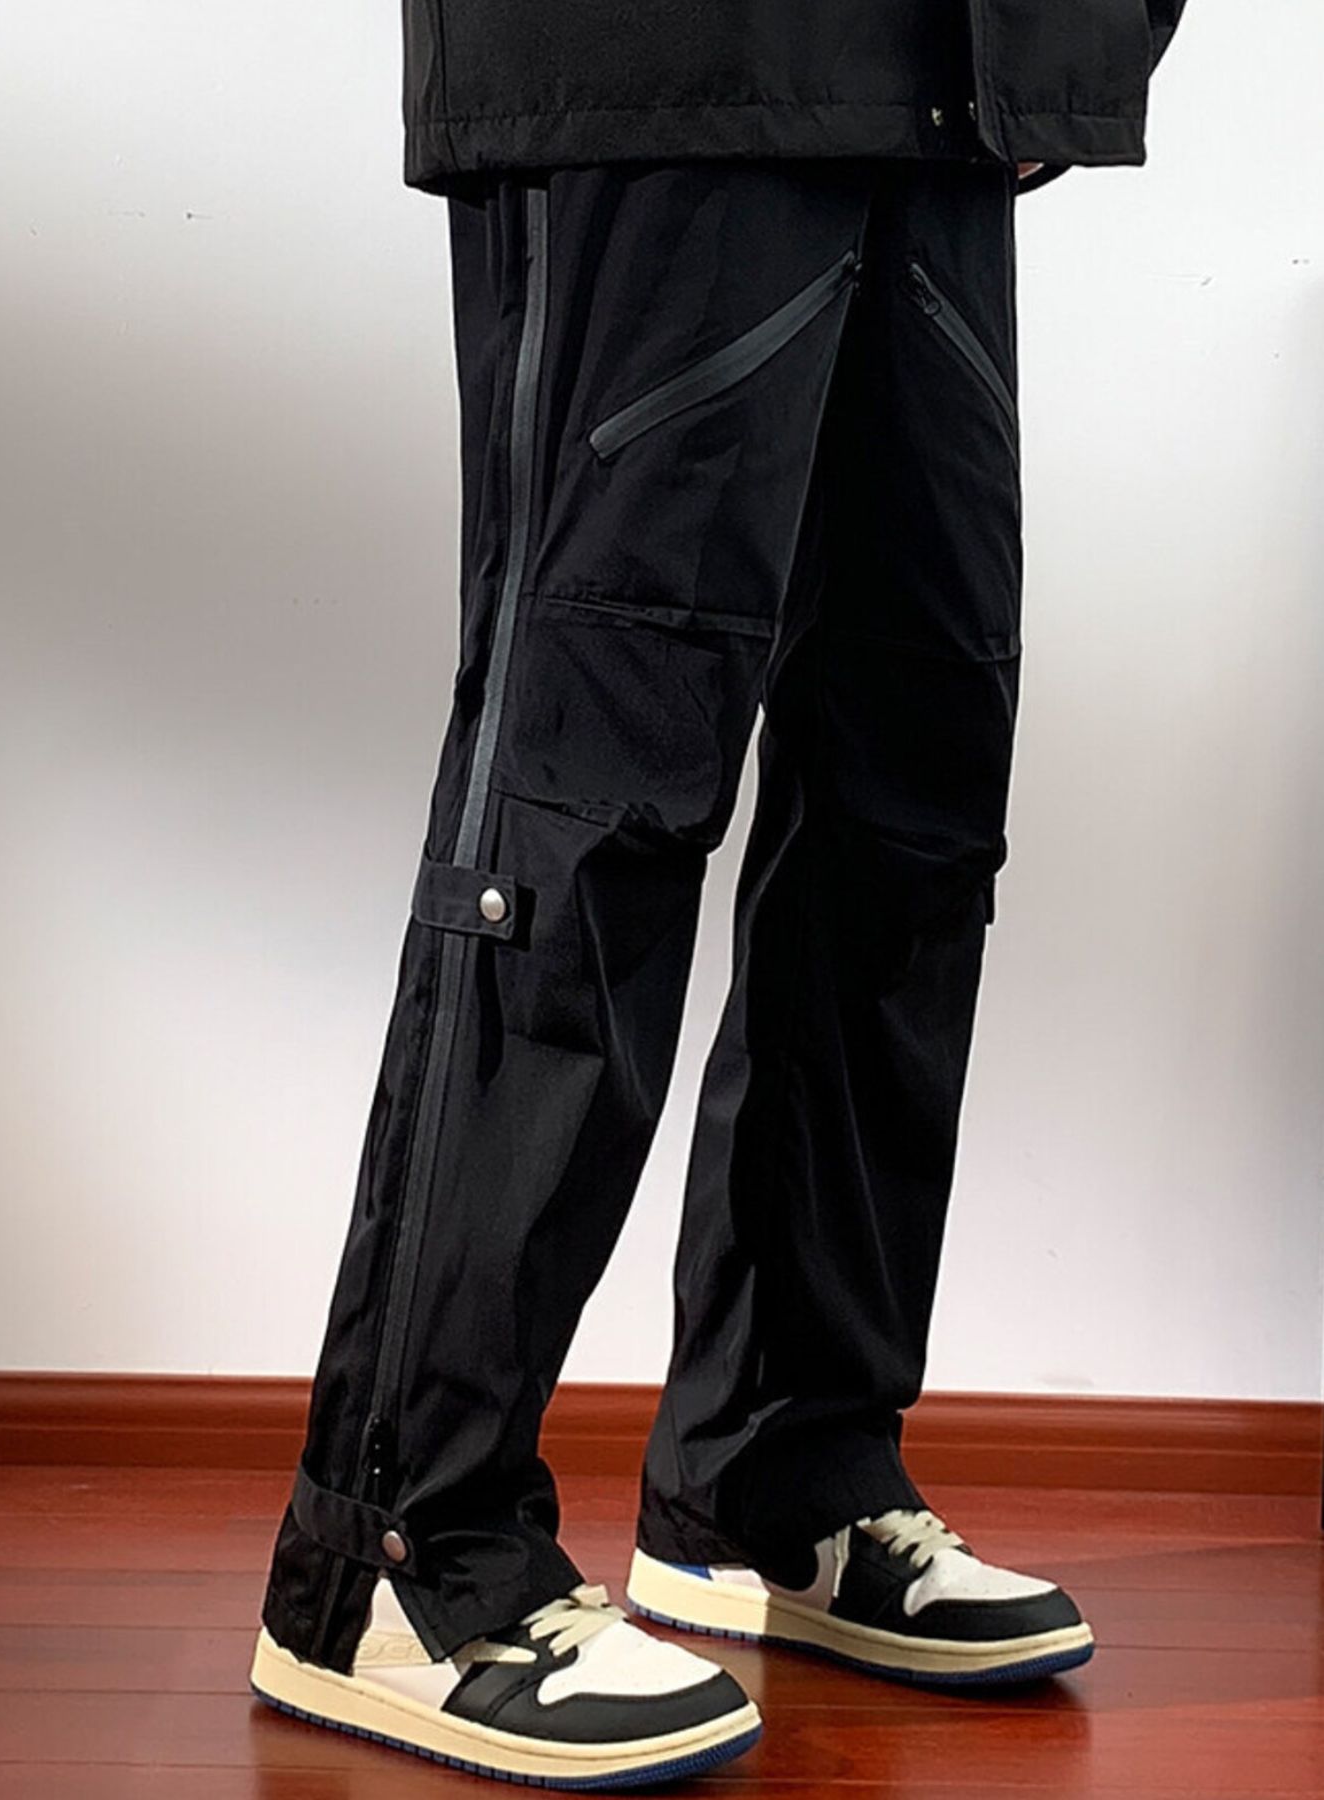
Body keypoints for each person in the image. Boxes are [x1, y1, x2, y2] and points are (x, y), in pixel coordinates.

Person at [249, 2, 1188, 1786]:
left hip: (947, 86)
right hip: (665, 66)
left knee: (906, 816)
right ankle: (394, 1551)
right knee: (588, 804)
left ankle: (775, 1473)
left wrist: (1084, 34)